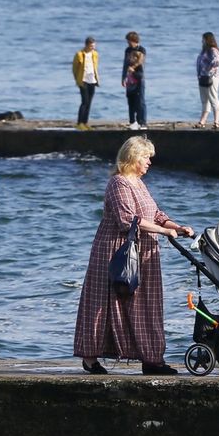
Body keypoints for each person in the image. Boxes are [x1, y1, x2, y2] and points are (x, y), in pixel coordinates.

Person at [73, 136, 194, 375]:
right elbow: (127, 220)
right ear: (132, 157)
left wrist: (177, 227)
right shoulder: (119, 183)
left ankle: (151, 358)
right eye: (145, 157)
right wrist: (164, 231)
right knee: (104, 303)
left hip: (144, 250)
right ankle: (90, 357)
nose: (149, 162)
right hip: (117, 250)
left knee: (146, 304)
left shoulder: (138, 182)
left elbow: (156, 213)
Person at [195, 32, 219, 128]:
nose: (202, 41)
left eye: (204, 39)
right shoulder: (204, 51)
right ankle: (202, 121)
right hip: (202, 77)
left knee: (213, 98)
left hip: (212, 77)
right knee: (204, 99)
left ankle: (216, 121)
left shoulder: (212, 50)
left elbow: (217, 59)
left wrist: (209, 68)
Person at [73, 36, 100, 130]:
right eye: (91, 46)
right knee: (84, 102)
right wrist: (78, 79)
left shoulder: (95, 54)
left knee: (89, 102)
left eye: (94, 46)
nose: (93, 48)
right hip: (83, 80)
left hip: (92, 80)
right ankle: (79, 122)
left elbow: (95, 67)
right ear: (87, 45)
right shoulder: (79, 54)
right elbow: (75, 68)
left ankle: (85, 122)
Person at [122, 32, 147, 130]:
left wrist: (133, 68)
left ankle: (142, 122)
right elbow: (125, 64)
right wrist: (123, 77)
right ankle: (132, 122)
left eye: (129, 41)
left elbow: (141, 61)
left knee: (140, 101)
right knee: (130, 101)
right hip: (129, 78)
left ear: (134, 41)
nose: (128, 43)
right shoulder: (128, 50)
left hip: (139, 76)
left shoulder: (141, 49)